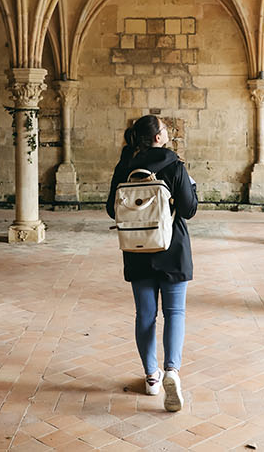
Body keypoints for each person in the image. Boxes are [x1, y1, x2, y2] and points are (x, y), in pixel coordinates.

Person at [106, 114, 198, 412]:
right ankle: (172, 371)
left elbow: (111, 209)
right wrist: (191, 188)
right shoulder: (174, 165)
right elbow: (189, 209)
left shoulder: (125, 166)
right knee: (175, 312)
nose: (167, 131)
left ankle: (151, 377)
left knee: (145, 315)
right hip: (172, 248)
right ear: (158, 137)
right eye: (164, 128)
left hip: (137, 248)